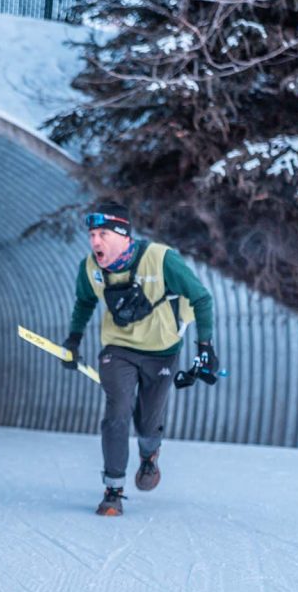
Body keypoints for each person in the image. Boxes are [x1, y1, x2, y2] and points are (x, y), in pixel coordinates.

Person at [62, 202, 218, 516]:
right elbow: (84, 302)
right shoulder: (90, 268)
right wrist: (73, 340)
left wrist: (205, 347)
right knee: (117, 410)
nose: (95, 242)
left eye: (103, 234)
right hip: (117, 349)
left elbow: (201, 297)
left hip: (161, 351)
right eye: (92, 234)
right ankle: (113, 490)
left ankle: (149, 454)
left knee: (147, 423)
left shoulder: (161, 260)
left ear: (123, 235)